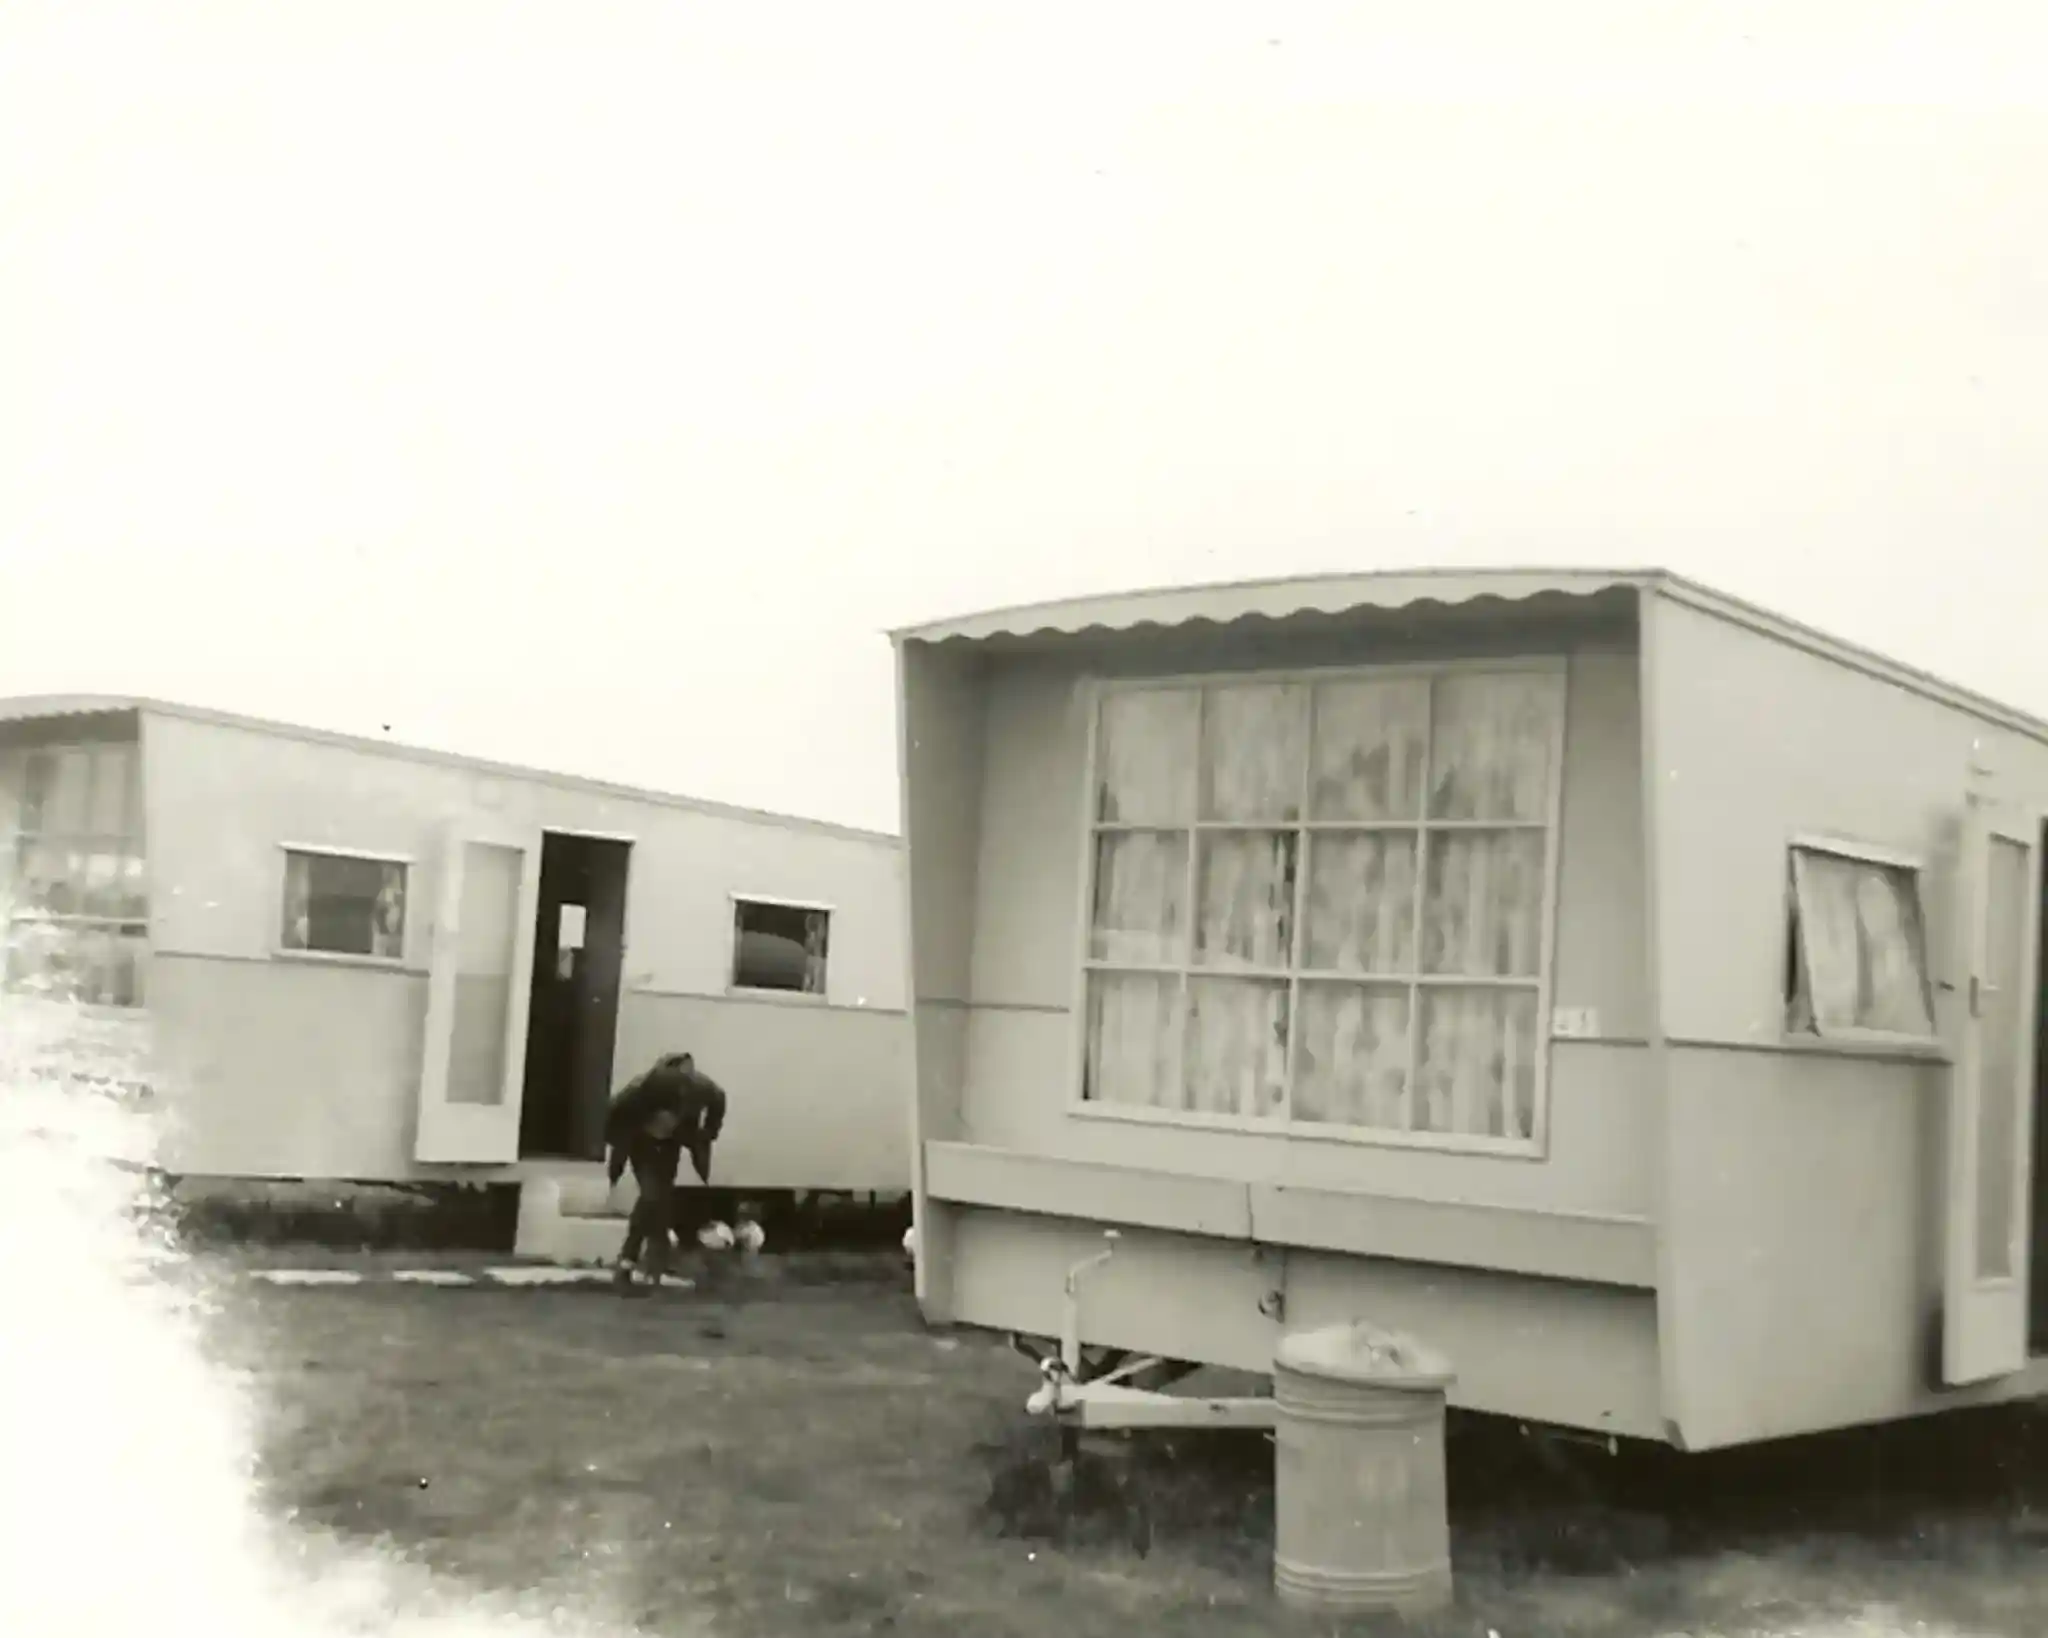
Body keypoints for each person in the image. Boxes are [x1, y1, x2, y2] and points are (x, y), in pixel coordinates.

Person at [602, 1051, 727, 1296]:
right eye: (662, 1118)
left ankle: (649, 1265)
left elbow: (718, 1099)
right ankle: (633, 1261)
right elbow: (614, 1113)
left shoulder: (701, 1088)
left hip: (670, 1145)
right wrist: (617, 1144)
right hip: (641, 1144)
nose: (666, 1122)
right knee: (651, 1196)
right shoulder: (641, 1090)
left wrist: (708, 1132)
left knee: (660, 1201)